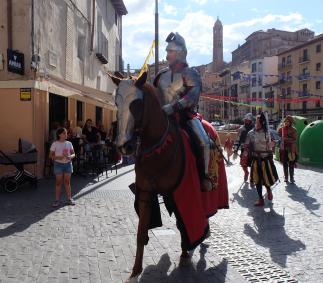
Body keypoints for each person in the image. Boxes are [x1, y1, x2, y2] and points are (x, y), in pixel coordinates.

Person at [153, 32, 212, 191]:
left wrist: (174, 107)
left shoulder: (190, 73)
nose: (167, 55)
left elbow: (192, 96)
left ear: (180, 52)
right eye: (167, 51)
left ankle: (204, 177)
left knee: (204, 142)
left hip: (185, 116)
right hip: (162, 117)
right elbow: (154, 94)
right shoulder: (161, 75)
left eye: (170, 51)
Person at [244, 112, 278, 206]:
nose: (257, 124)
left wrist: (274, 143)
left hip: (265, 159)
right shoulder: (251, 133)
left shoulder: (269, 133)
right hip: (255, 159)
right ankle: (260, 199)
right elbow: (246, 144)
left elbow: (278, 140)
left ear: (263, 123)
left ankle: (268, 190)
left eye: (259, 122)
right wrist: (246, 151)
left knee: (266, 178)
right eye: (256, 122)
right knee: (257, 179)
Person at [49, 127, 76, 207]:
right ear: (59, 134)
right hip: (58, 164)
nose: (66, 134)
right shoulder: (55, 143)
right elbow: (50, 156)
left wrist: (70, 157)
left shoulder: (69, 143)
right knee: (58, 182)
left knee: (67, 182)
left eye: (66, 133)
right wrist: (58, 157)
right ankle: (57, 200)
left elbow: (73, 154)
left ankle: (69, 199)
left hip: (68, 164)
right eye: (64, 133)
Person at [234, 113, 254, 182]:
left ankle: (252, 176)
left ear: (250, 121)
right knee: (243, 163)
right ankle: (246, 172)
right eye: (246, 120)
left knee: (253, 164)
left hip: (252, 149)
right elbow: (238, 139)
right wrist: (236, 148)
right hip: (243, 148)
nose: (246, 121)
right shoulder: (241, 129)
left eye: (248, 120)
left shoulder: (254, 129)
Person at [278, 116, 297, 183]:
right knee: (284, 163)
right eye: (285, 121)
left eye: (288, 121)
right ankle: (286, 177)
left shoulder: (293, 130)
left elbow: (294, 139)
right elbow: (279, 137)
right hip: (283, 149)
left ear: (290, 122)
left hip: (291, 149)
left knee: (291, 164)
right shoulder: (281, 129)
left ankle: (291, 178)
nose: (286, 122)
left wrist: (286, 139)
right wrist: (281, 140)